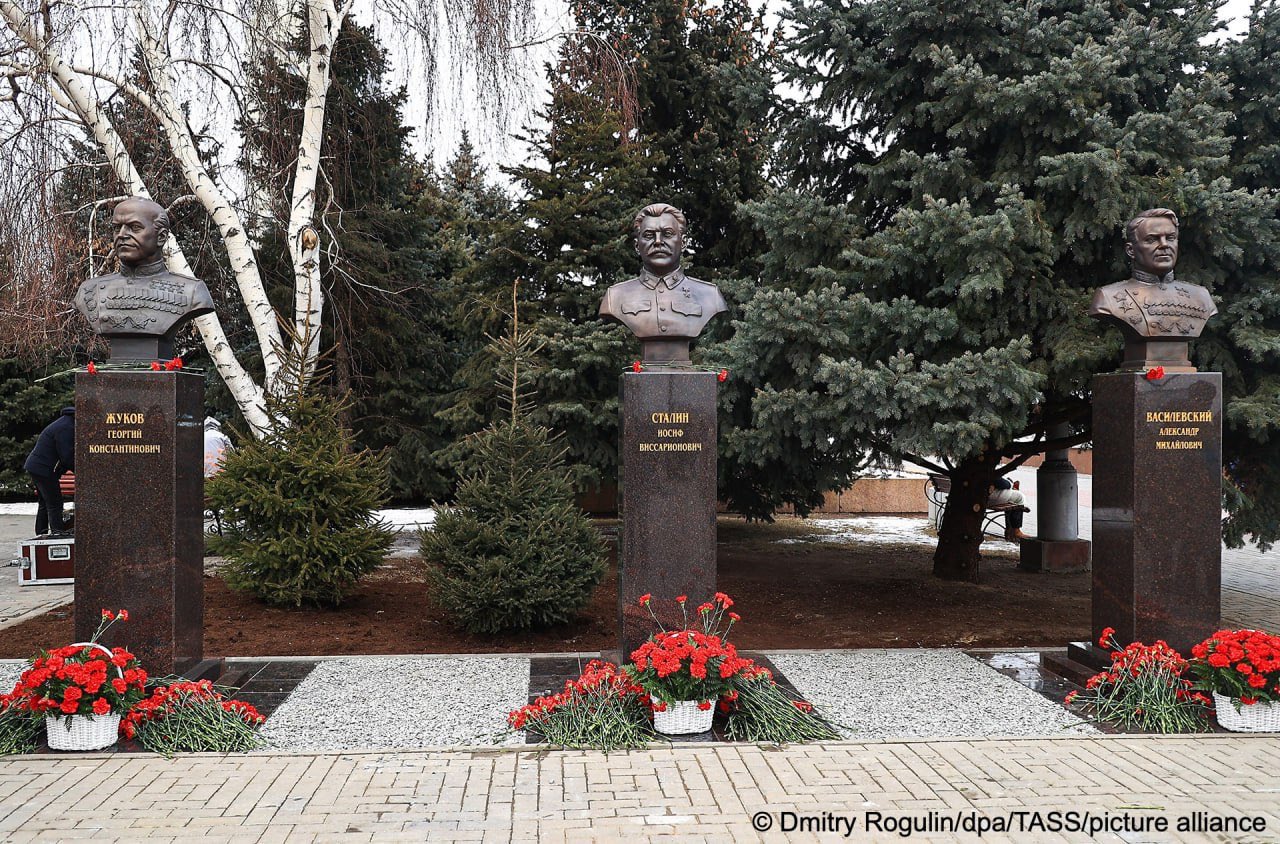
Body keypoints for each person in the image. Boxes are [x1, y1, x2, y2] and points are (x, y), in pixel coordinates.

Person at [73, 196, 215, 362]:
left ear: (161, 237)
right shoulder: (89, 290)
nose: (122, 235)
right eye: (117, 228)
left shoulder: (192, 291)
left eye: (134, 227)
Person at [1088, 208, 1217, 371]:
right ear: (1131, 250)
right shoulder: (1108, 297)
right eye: (1151, 239)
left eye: (1170, 238)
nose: (1164, 245)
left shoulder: (1200, 296)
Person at [599, 203, 728, 363]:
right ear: (637, 246)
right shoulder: (615, 297)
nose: (658, 242)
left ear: (683, 242)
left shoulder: (710, 295)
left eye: (667, 234)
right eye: (649, 235)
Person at [24, 407, 75, 536]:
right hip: (44, 469)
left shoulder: (64, 422)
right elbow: (66, 456)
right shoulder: (67, 427)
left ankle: (40, 533)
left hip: (36, 466)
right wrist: (79, 471)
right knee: (55, 503)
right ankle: (58, 534)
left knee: (44, 503)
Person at [989, 476, 1028, 541]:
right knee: (1020, 497)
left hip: (974, 497)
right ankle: (1016, 531)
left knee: (1011, 495)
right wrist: (1010, 483)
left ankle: (1009, 530)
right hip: (988, 497)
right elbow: (1001, 483)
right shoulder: (986, 470)